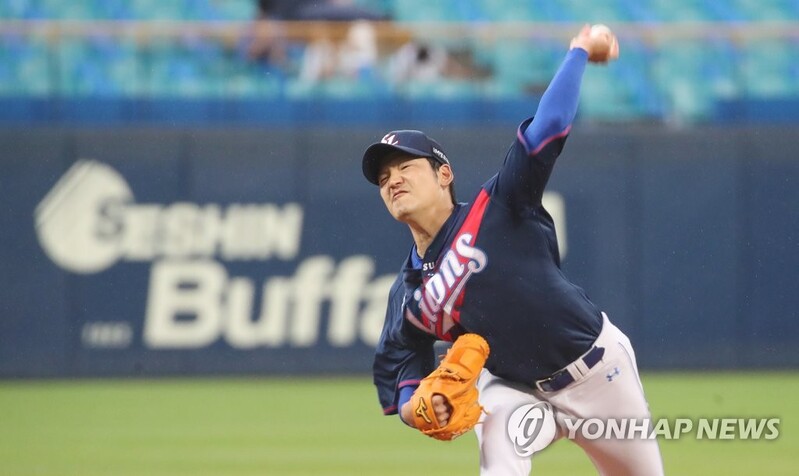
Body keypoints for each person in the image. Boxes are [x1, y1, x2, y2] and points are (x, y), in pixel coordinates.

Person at [362, 25, 664, 475]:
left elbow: (549, 128)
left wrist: (579, 51)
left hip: (598, 374)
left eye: (406, 167)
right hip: (515, 389)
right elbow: (401, 364)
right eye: (384, 179)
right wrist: (419, 408)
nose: (394, 181)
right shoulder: (410, 294)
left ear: (444, 174)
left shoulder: (499, 205)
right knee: (499, 445)